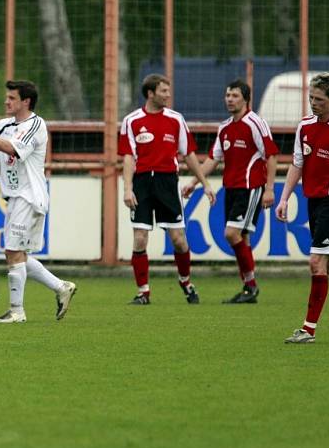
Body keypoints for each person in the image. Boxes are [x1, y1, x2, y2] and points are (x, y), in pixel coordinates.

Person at [0, 80, 77, 323]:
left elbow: (11, 149)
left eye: (12, 98)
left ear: (26, 101)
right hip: (15, 197)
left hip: (29, 196)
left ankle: (17, 311)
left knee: (13, 252)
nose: (6, 101)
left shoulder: (35, 124)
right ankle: (61, 287)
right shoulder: (6, 124)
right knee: (18, 254)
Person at [277, 73, 329, 344]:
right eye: (311, 98)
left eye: (319, 99)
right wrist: (284, 197)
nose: (313, 103)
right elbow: (297, 163)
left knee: (317, 261)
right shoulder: (305, 126)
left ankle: (308, 329)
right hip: (313, 201)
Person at [119, 74, 215, 305]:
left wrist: (204, 182)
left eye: (168, 90)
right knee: (140, 238)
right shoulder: (131, 121)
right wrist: (127, 188)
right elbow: (128, 157)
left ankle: (186, 282)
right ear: (150, 93)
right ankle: (143, 292)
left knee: (179, 239)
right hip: (142, 184)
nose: (168, 95)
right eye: (163, 91)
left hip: (167, 183)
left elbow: (188, 153)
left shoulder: (176, 119)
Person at [183, 79, 279, 303]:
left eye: (235, 96)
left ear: (245, 99)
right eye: (227, 95)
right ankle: (248, 288)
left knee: (231, 233)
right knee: (241, 237)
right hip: (232, 188)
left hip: (250, 187)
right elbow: (213, 159)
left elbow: (271, 154)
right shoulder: (224, 127)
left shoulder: (255, 123)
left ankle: (251, 287)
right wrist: (194, 182)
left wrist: (270, 189)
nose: (229, 99)